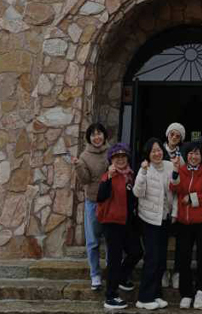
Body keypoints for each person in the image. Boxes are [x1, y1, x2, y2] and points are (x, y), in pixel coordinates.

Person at [163, 117, 202, 291]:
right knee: (170, 246)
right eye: (172, 134)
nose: (174, 137)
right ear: (167, 134)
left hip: (190, 212)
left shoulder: (189, 154)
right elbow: (173, 185)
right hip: (166, 205)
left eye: (178, 135)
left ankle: (194, 286)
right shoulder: (158, 150)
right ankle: (167, 274)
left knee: (198, 255)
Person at [97, 143, 144, 311]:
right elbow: (101, 197)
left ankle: (122, 277)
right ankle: (110, 296)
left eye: (123, 156)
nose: (121, 159)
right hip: (112, 223)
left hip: (127, 223)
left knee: (136, 252)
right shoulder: (108, 176)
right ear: (111, 160)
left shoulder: (130, 175)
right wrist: (109, 178)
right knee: (114, 259)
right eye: (117, 157)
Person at [169, 141, 202, 310]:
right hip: (184, 222)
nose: (193, 156)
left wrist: (192, 198)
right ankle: (186, 293)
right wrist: (175, 171)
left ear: (201, 156)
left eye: (197, 153)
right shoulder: (182, 170)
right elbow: (173, 187)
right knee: (184, 258)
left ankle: (201, 291)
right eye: (190, 153)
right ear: (186, 155)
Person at [133, 138, 176, 310]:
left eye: (158, 150)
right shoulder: (145, 169)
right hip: (149, 219)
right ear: (148, 154)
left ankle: (156, 294)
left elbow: (175, 188)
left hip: (164, 218)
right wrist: (143, 173)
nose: (157, 153)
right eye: (153, 151)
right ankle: (144, 298)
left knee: (161, 259)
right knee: (151, 258)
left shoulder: (169, 166)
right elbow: (137, 192)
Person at [74, 123, 110, 290]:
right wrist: (78, 166)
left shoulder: (112, 151)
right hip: (93, 202)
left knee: (111, 238)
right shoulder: (84, 156)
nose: (97, 137)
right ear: (89, 138)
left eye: (99, 133)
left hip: (110, 201)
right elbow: (85, 180)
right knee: (93, 241)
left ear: (104, 135)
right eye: (93, 134)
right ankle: (95, 274)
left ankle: (111, 269)